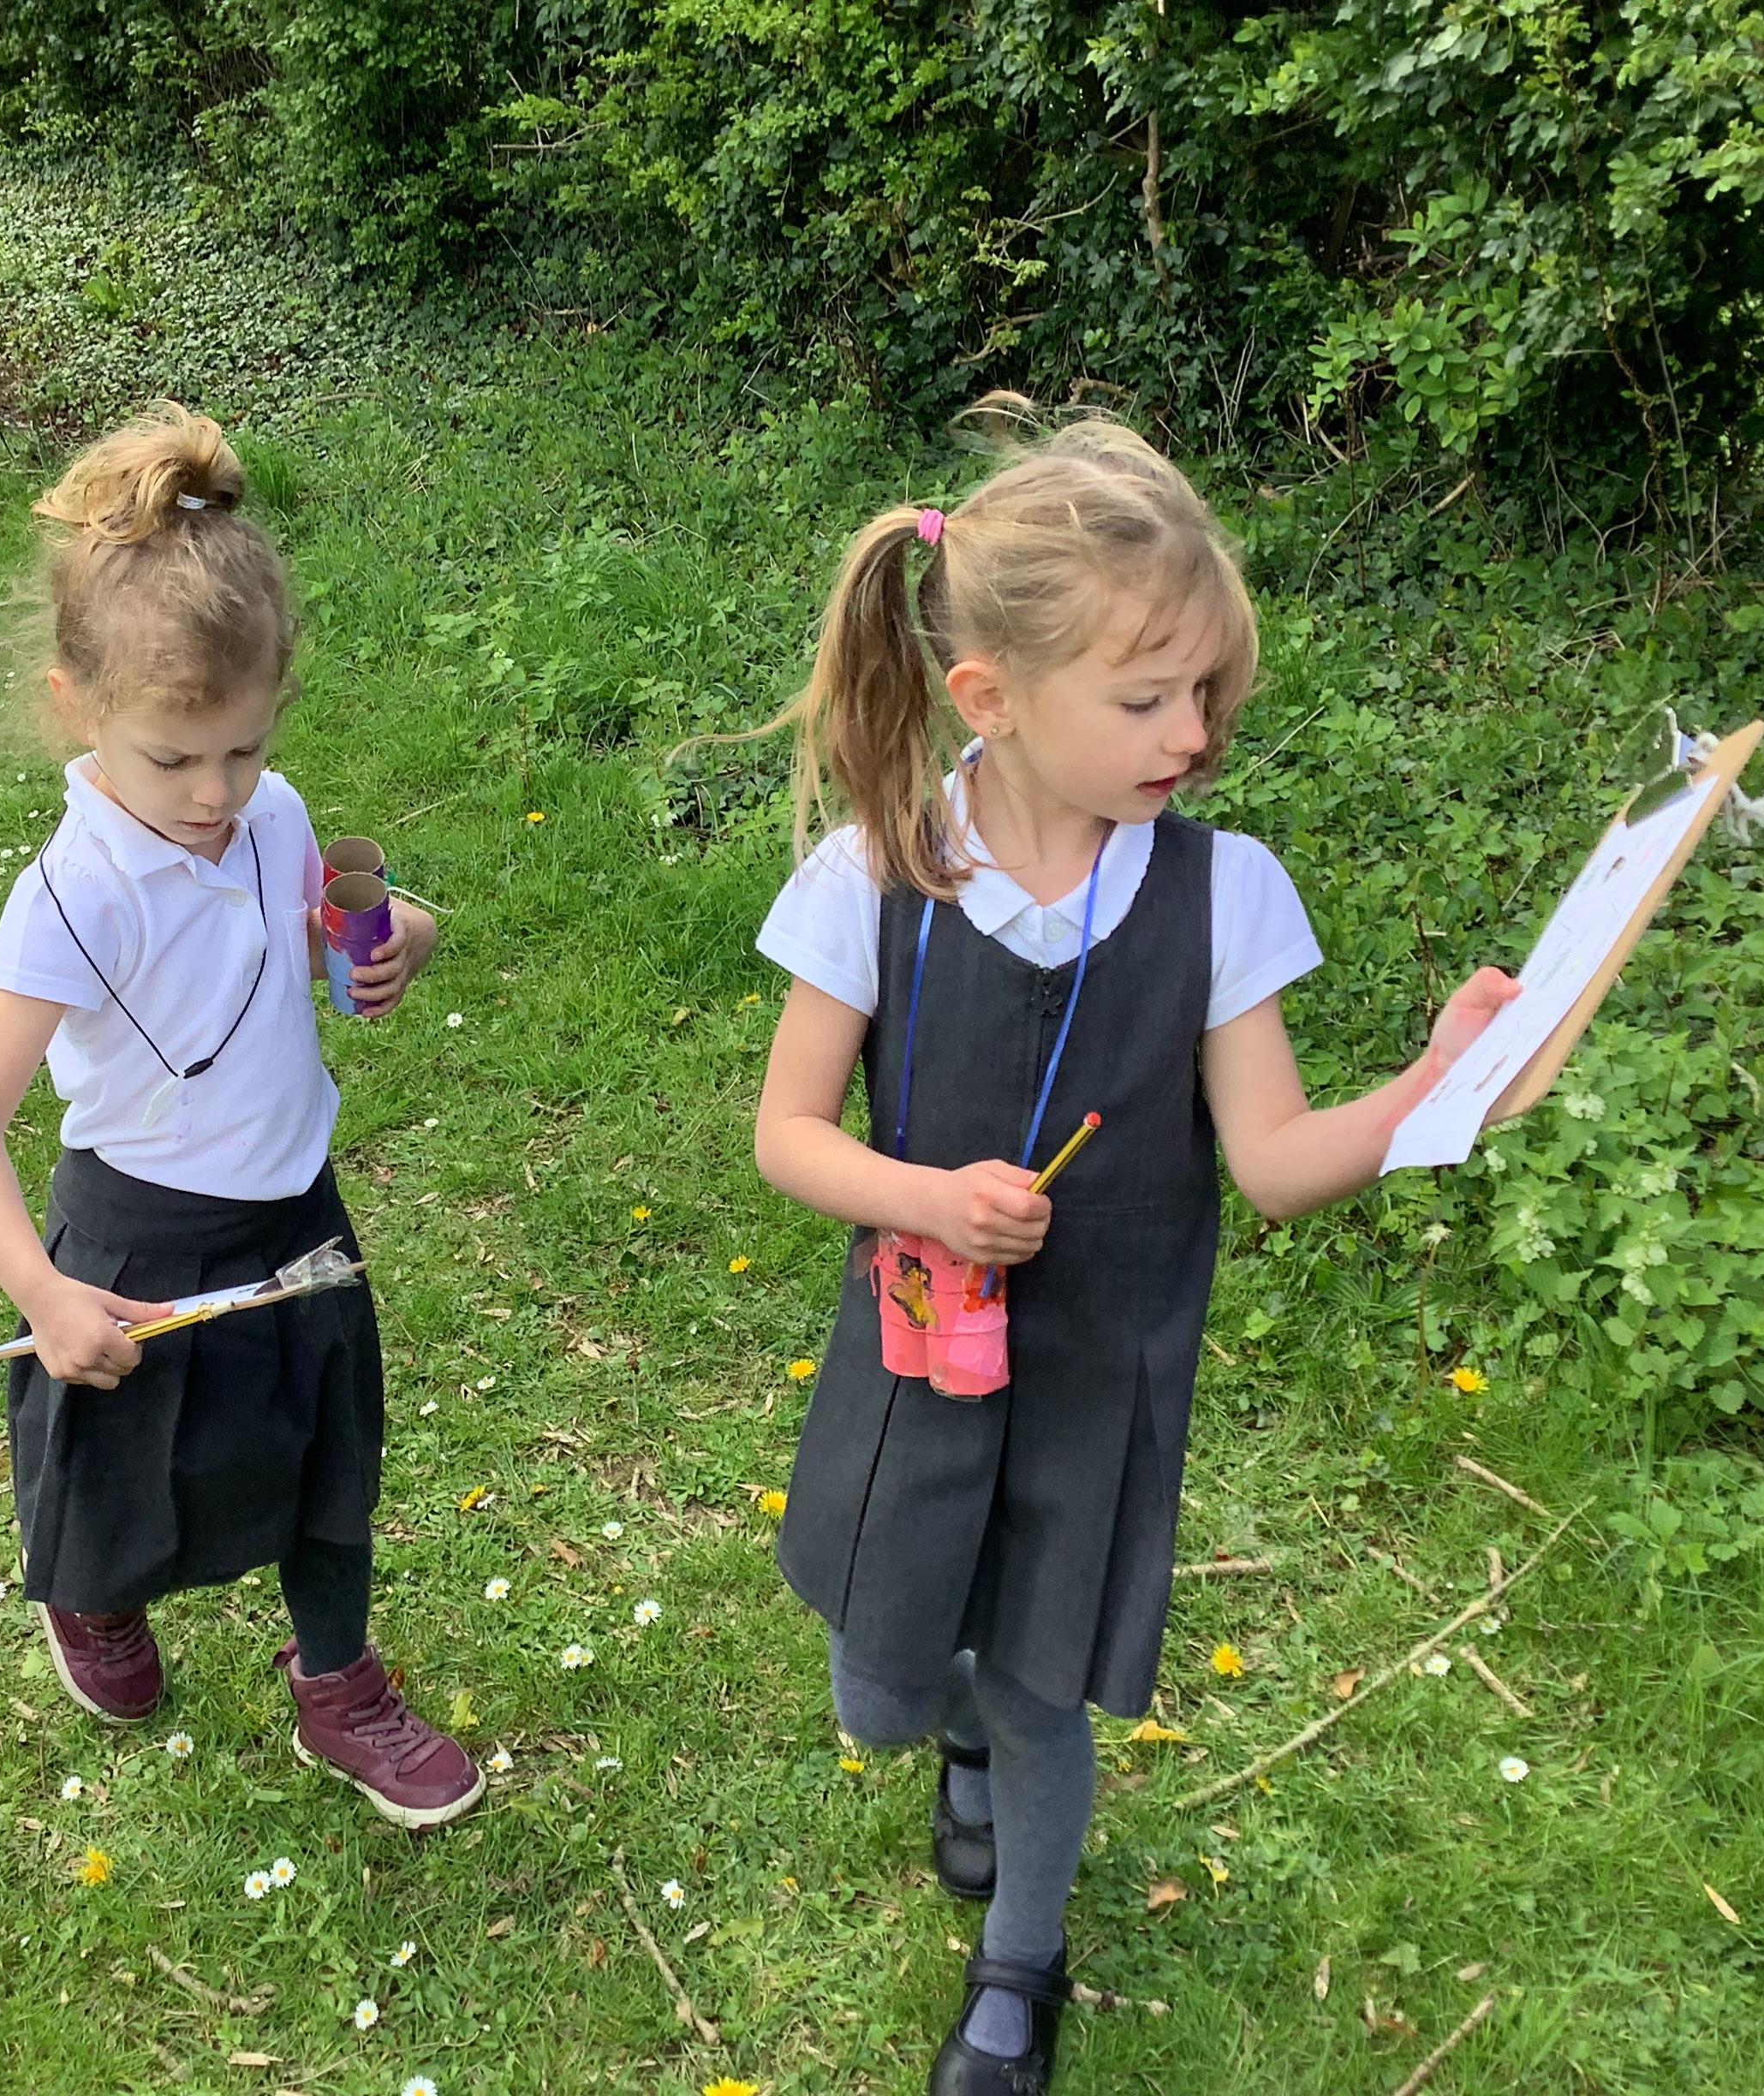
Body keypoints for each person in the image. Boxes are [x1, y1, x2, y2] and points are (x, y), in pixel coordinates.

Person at [748, 409, 1517, 2090]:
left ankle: (1021, 1960)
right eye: (1149, 698)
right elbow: (787, 1134)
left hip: (1101, 1387)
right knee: (885, 1696)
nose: (1195, 734)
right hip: (918, 1366)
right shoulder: (874, 875)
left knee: (1044, 1692)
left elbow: (1279, 1165)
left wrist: (1433, 1085)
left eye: (1209, 695)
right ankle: (952, 1730)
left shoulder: (1224, 893)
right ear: (991, 699)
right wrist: (925, 1196)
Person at [0, 402, 482, 1830]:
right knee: (129, 1470)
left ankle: (338, 1681)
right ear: (77, 707)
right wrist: (44, 1292)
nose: (213, 792)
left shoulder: (272, 812)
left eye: (242, 749)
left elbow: (311, 929)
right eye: (173, 760)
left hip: (296, 1207)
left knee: (327, 1456)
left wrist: (396, 935)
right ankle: (97, 1602)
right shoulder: (71, 896)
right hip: (138, 1232)